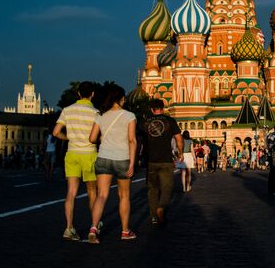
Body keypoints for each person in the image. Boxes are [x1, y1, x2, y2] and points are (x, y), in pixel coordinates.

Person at [86, 84, 137, 243]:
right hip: (122, 159)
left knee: (101, 195)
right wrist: (132, 163)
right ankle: (125, 231)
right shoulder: (129, 116)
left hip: (103, 158)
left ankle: (93, 228)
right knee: (124, 195)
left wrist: (103, 139)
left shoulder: (101, 115)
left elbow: (92, 139)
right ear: (121, 99)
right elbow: (132, 140)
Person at [52, 81, 100, 241]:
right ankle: (93, 226)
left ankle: (69, 227)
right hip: (89, 154)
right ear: (92, 94)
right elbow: (98, 136)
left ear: (78, 93)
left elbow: (56, 132)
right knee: (92, 192)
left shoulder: (67, 110)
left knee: (71, 193)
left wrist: (68, 137)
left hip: (72, 153)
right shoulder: (95, 112)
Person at [143, 98, 183, 226]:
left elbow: (138, 140)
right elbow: (178, 138)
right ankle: (161, 207)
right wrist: (180, 153)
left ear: (151, 109)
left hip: (150, 160)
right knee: (167, 188)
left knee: (152, 189)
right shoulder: (170, 121)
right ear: (163, 108)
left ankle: (154, 216)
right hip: (166, 160)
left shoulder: (144, 123)